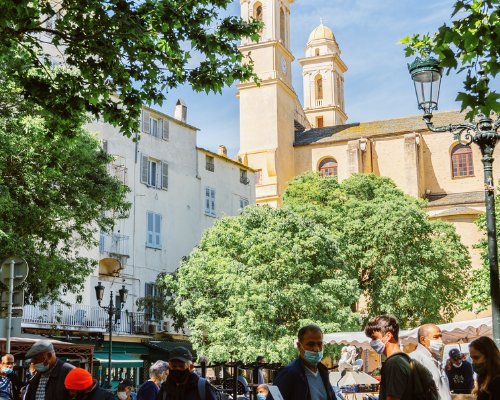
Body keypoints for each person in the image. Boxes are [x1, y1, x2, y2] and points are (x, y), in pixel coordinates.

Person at [267, 325, 337, 400]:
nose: (317, 349)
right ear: (299, 346)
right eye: (311, 344)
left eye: (319, 344)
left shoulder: (323, 371)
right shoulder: (289, 373)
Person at [364, 315, 413, 400]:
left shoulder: (394, 364)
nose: (372, 342)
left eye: (374, 338)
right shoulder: (403, 359)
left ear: (388, 336)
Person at [409, 324, 451, 400]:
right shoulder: (415, 360)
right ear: (423, 340)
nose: (440, 340)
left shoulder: (437, 359)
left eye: (440, 336)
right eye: (436, 337)